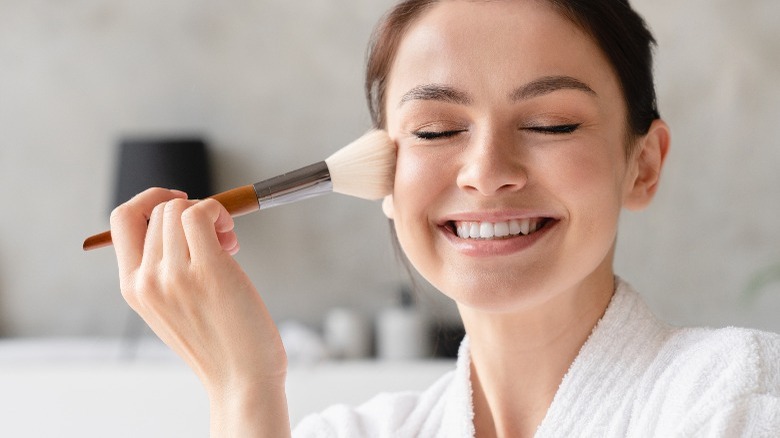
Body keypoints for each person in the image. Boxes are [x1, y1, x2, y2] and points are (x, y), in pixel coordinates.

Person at [109, 0, 780, 436]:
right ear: (384, 178)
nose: (487, 170)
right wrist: (241, 389)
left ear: (643, 164)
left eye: (551, 123)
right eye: (433, 131)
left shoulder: (732, 398)